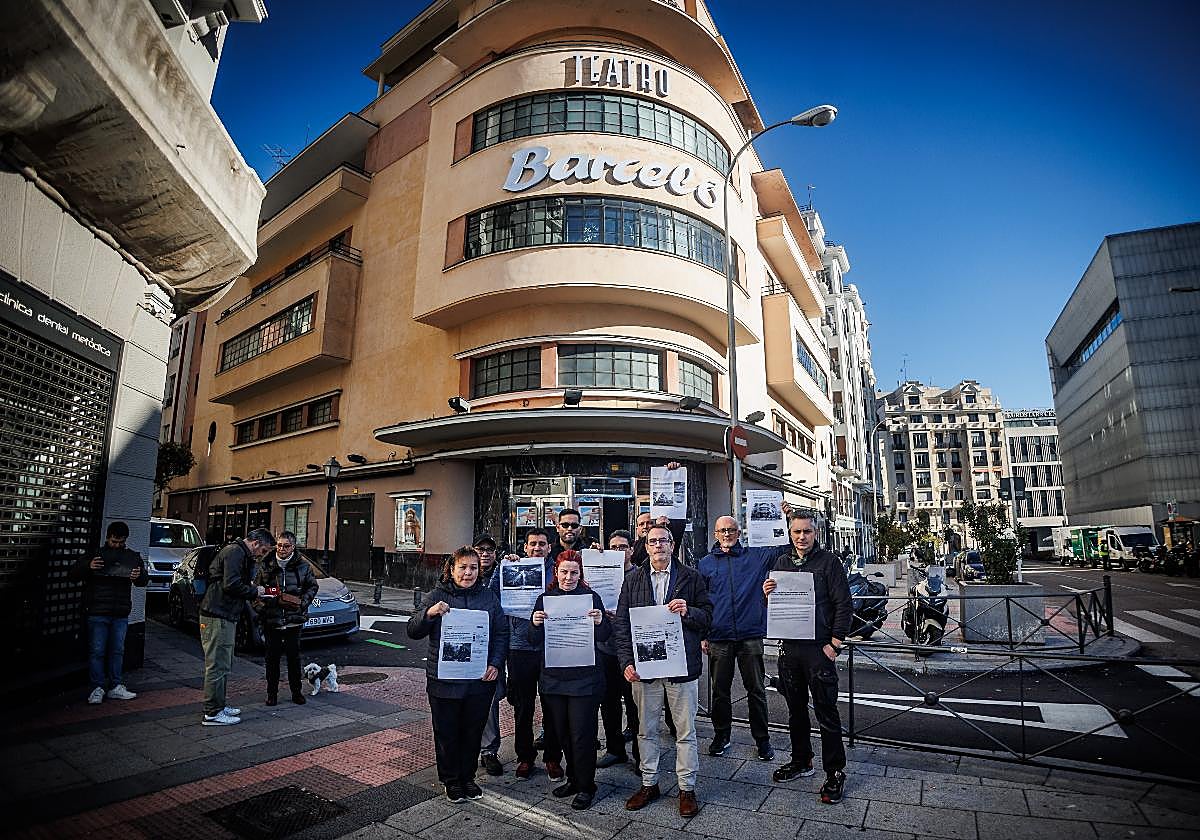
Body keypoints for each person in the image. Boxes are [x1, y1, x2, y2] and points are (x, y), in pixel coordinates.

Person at [615, 524, 712, 818]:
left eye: (663, 541)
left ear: (672, 545)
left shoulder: (691, 578)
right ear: (645, 547)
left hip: (680, 667)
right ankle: (649, 783)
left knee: (685, 732)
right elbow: (622, 624)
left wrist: (689, 611)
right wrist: (626, 663)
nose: (658, 545)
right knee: (646, 730)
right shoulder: (633, 579)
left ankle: (687, 788)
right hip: (645, 669)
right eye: (652, 541)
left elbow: (708, 617)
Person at [763, 511, 853, 803]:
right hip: (790, 648)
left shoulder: (829, 563)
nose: (801, 537)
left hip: (819, 649)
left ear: (816, 533)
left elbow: (844, 604)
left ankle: (835, 772)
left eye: (807, 532)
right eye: (796, 532)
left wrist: (834, 645)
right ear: (790, 534)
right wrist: (769, 594)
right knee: (796, 710)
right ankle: (802, 761)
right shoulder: (782, 562)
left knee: (826, 712)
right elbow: (775, 604)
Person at [407, 547, 508, 804]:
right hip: (444, 681)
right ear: (451, 569)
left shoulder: (488, 598)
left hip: (478, 681)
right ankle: (451, 780)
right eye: (462, 567)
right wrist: (429, 614)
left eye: (473, 567)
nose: (468, 572)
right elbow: (413, 630)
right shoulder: (436, 596)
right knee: (447, 732)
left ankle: (468, 777)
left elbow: (500, 634)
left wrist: (495, 664)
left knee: (473, 731)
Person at [698, 515, 789, 760]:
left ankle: (762, 740)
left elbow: (786, 545)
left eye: (731, 530)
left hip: (750, 634)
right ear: (715, 534)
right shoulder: (705, 564)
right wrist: (703, 635)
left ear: (739, 533)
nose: (726, 534)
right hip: (719, 636)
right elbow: (702, 601)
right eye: (721, 530)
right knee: (719, 691)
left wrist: (786, 517)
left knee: (757, 690)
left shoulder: (755, 557)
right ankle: (721, 736)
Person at [527, 551, 611, 810]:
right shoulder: (545, 599)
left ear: (581, 574)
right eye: (564, 572)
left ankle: (587, 786)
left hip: (585, 680)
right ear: (556, 573)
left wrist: (600, 621)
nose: (568, 577)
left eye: (574, 572)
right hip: (554, 679)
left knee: (582, 735)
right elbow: (533, 640)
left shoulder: (591, 598)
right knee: (563, 734)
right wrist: (535, 623)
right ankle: (574, 779)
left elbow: (605, 635)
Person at [492, 528, 564, 780]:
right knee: (523, 707)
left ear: (549, 547)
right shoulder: (513, 566)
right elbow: (494, 594)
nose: (537, 548)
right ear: (525, 547)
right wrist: (502, 567)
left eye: (542, 544)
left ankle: (553, 758)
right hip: (519, 648)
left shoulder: (558, 570)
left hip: (550, 646)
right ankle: (525, 757)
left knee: (552, 706)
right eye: (532, 544)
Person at [199, 528, 274, 726]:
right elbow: (230, 584)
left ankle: (218, 705)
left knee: (223, 663)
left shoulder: (238, 553)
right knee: (217, 664)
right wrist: (254, 590)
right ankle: (212, 712)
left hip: (223, 613)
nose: (262, 555)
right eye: (264, 550)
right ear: (256, 543)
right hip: (218, 613)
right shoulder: (235, 552)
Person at [69, 521, 149, 704]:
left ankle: (115, 685)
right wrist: (88, 566)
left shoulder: (131, 557)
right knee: (97, 650)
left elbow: (143, 580)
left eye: (120, 542)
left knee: (117, 650)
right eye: (114, 542)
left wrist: (139, 576)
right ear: (108, 538)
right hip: (98, 609)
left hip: (119, 611)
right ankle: (97, 687)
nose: (117, 545)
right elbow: (73, 574)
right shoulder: (96, 554)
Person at [253, 531, 318, 706]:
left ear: (293, 547)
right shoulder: (265, 564)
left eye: (286, 546)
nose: (282, 549)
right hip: (271, 620)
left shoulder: (303, 566)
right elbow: (254, 590)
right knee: (271, 659)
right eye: (279, 545)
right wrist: (262, 608)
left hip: (293, 620)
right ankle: (271, 694)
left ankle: (296, 692)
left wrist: (302, 604)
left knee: (294, 659)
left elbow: (312, 587)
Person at [596, 529, 639, 769]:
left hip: (631, 650)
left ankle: (639, 755)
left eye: (622, 547)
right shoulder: (599, 572)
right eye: (613, 547)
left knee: (634, 706)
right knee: (608, 702)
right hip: (605, 649)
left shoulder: (640, 575)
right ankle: (614, 749)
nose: (618, 551)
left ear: (631, 550)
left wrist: (622, 616)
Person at [473, 534, 506, 776]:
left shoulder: (504, 572)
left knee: (492, 699)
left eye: (490, 550)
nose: (485, 553)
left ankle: (489, 751)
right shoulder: (463, 575)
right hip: (468, 647)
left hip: (493, 646)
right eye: (480, 549)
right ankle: (465, 750)